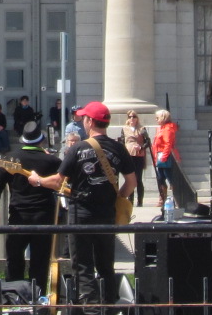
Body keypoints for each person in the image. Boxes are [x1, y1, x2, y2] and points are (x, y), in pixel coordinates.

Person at [27, 102, 137, 315]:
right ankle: (108, 306)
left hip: (81, 215)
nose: (83, 121)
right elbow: (132, 183)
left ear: (90, 121)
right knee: (106, 265)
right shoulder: (118, 148)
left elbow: (58, 181)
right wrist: (118, 198)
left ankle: (91, 310)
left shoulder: (78, 149)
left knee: (83, 266)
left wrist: (37, 180)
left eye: (84, 118)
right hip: (107, 215)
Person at [0, 120, 61, 288]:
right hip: (44, 215)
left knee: (14, 258)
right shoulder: (52, 161)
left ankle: (15, 293)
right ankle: (38, 293)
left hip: (18, 215)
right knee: (40, 260)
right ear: (41, 140)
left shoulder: (11, 159)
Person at [121, 110, 150, 205]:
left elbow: (148, 142)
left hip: (138, 155)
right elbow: (122, 141)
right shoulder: (124, 129)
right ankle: (130, 200)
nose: (132, 118)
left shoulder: (142, 129)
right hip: (128, 155)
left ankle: (140, 201)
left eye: (134, 116)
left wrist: (141, 147)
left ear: (137, 118)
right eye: (130, 117)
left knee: (138, 179)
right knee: (130, 178)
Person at [151, 108, 178, 208]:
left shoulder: (167, 129)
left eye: (157, 117)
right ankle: (162, 198)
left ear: (163, 118)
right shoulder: (161, 129)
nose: (156, 119)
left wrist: (164, 157)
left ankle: (176, 199)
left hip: (165, 156)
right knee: (161, 178)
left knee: (170, 178)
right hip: (160, 155)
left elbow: (168, 144)